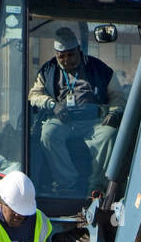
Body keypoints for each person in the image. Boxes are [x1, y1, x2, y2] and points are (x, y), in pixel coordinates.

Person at [29, 26, 127, 194]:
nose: (67, 60)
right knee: (48, 134)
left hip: (94, 121)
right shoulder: (48, 70)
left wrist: (113, 112)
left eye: (71, 55)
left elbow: (118, 97)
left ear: (79, 50)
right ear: (56, 55)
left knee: (109, 135)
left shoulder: (99, 69)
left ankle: (96, 186)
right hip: (63, 120)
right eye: (62, 56)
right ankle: (67, 183)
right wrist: (52, 104)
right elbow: (34, 95)